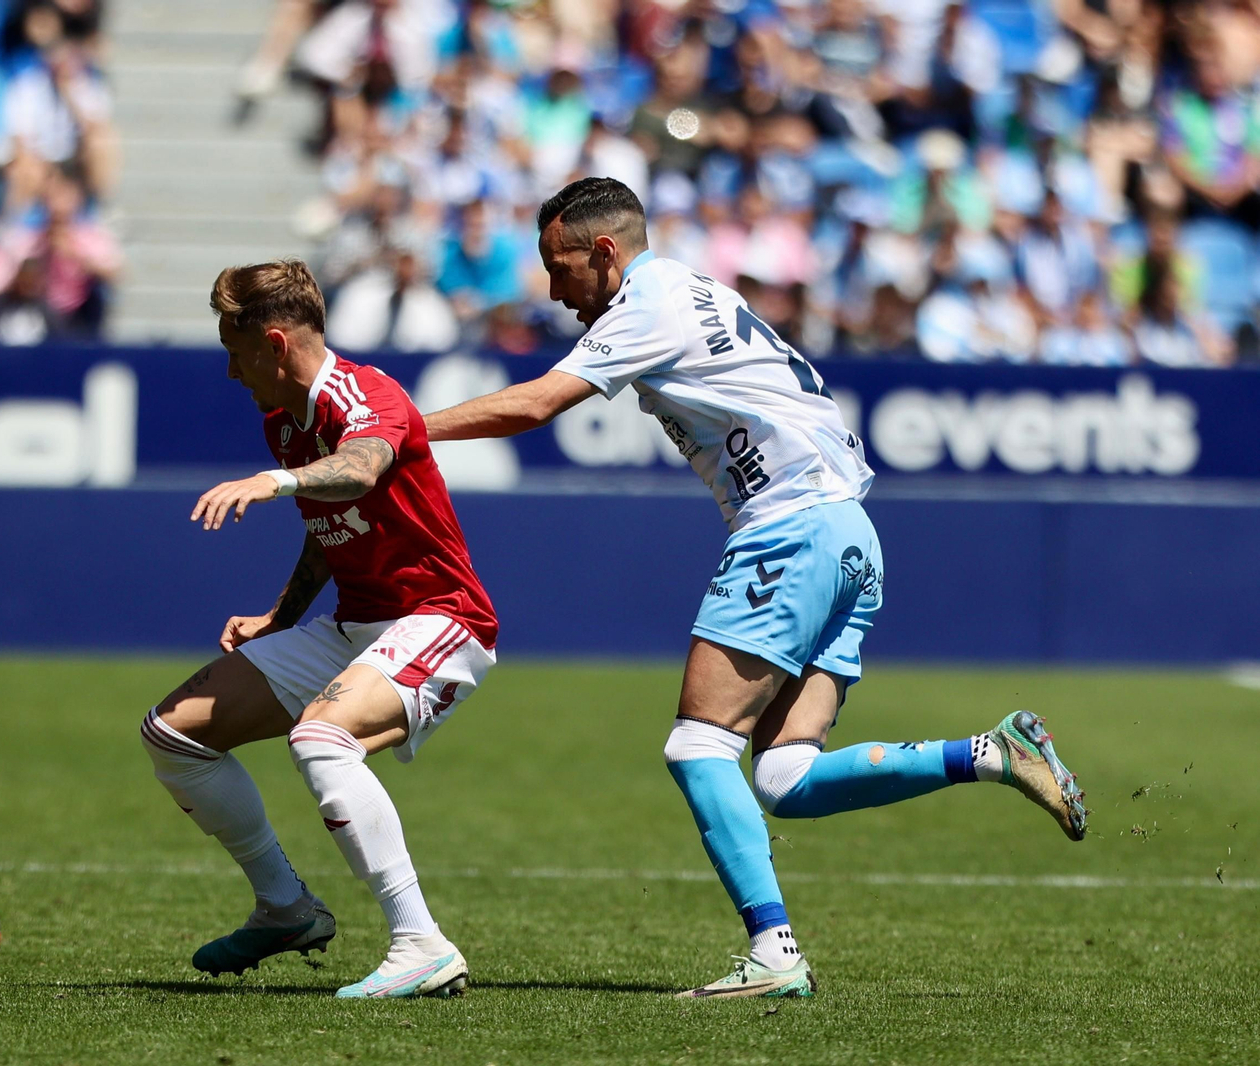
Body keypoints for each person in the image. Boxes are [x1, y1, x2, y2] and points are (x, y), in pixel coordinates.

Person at [423, 177, 1088, 999]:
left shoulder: (646, 304)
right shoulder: (699, 288)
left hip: (792, 525)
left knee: (698, 745)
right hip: (850, 532)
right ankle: (990, 754)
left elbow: (536, 404)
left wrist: (404, 429)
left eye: (559, 267)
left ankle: (774, 955)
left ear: (604, 252)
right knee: (784, 778)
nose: (554, 291)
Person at [140, 259, 497, 999]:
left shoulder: (366, 395)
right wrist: (282, 616)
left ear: (275, 344)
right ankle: (285, 908)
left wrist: (277, 482)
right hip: (353, 625)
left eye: (236, 355)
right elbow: (331, 527)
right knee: (173, 734)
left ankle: (420, 943)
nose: (233, 375)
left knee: (321, 737)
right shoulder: (283, 421)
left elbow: (359, 471)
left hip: (441, 620)